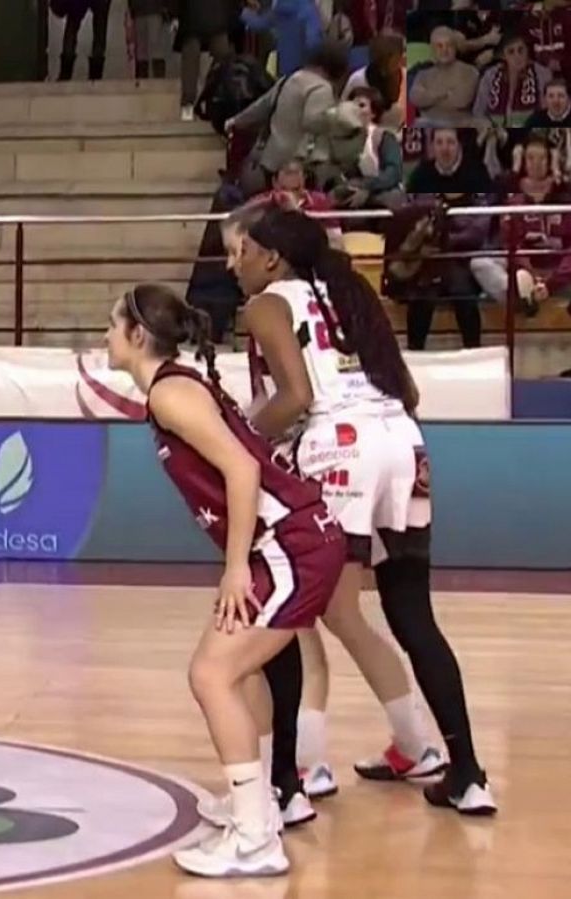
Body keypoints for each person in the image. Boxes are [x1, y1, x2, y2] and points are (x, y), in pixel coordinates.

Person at [231, 207, 496, 815]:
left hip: (337, 448)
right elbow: (407, 388)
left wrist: (238, 433)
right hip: (402, 439)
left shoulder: (268, 303)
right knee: (412, 616)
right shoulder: (350, 290)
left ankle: (294, 776)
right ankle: (466, 772)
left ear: (271, 257)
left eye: (243, 250)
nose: (235, 262)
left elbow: (295, 398)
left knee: (294, 609)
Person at [104, 283, 345, 878]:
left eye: (112, 326)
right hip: (293, 540)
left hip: (291, 544)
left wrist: (237, 566)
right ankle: (254, 804)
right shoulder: (179, 386)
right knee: (240, 674)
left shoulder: (170, 395)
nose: (104, 336)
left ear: (137, 336)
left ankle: (257, 838)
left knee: (211, 674)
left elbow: (241, 468)